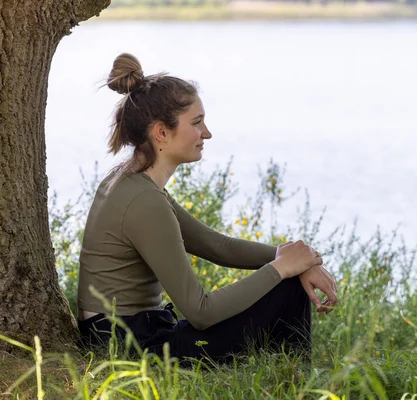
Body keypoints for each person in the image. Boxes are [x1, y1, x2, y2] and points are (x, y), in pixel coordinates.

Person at [76, 53, 338, 365]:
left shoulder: (130, 182)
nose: (207, 133)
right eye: (197, 123)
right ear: (161, 132)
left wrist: (298, 259)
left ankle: (289, 375)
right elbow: (200, 312)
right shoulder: (143, 201)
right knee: (287, 289)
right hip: (132, 346)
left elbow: (217, 246)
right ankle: (295, 381)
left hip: (127, 334)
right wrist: (283, 268)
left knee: (287, 279)